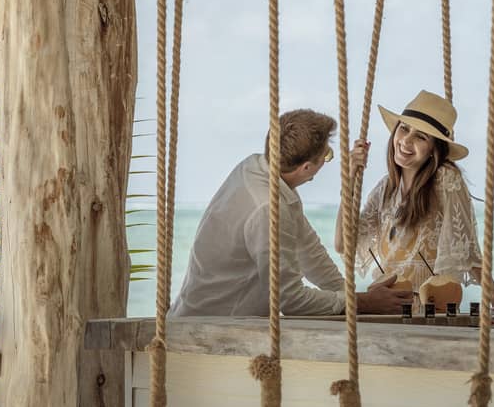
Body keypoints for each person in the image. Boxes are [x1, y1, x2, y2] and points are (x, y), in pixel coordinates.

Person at [172, 109, 412, 317]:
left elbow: (310, 253)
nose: (327, 161)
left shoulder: (258, 167)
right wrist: (363, 303)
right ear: (307, 167)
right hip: (210, 331)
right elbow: (290, 300)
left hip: (208, 319)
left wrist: (351, 295)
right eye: (327, 156)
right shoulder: (268, 209)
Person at [342, 90, 494, 318]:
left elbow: (467, 250)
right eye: (404, 129)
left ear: (434, 149)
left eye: (421, 137)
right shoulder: (385, 189)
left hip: (426, 312)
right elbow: (343, 243)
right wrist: (349, 177)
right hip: (385, 311)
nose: (406, 141)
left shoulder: (445, 179)